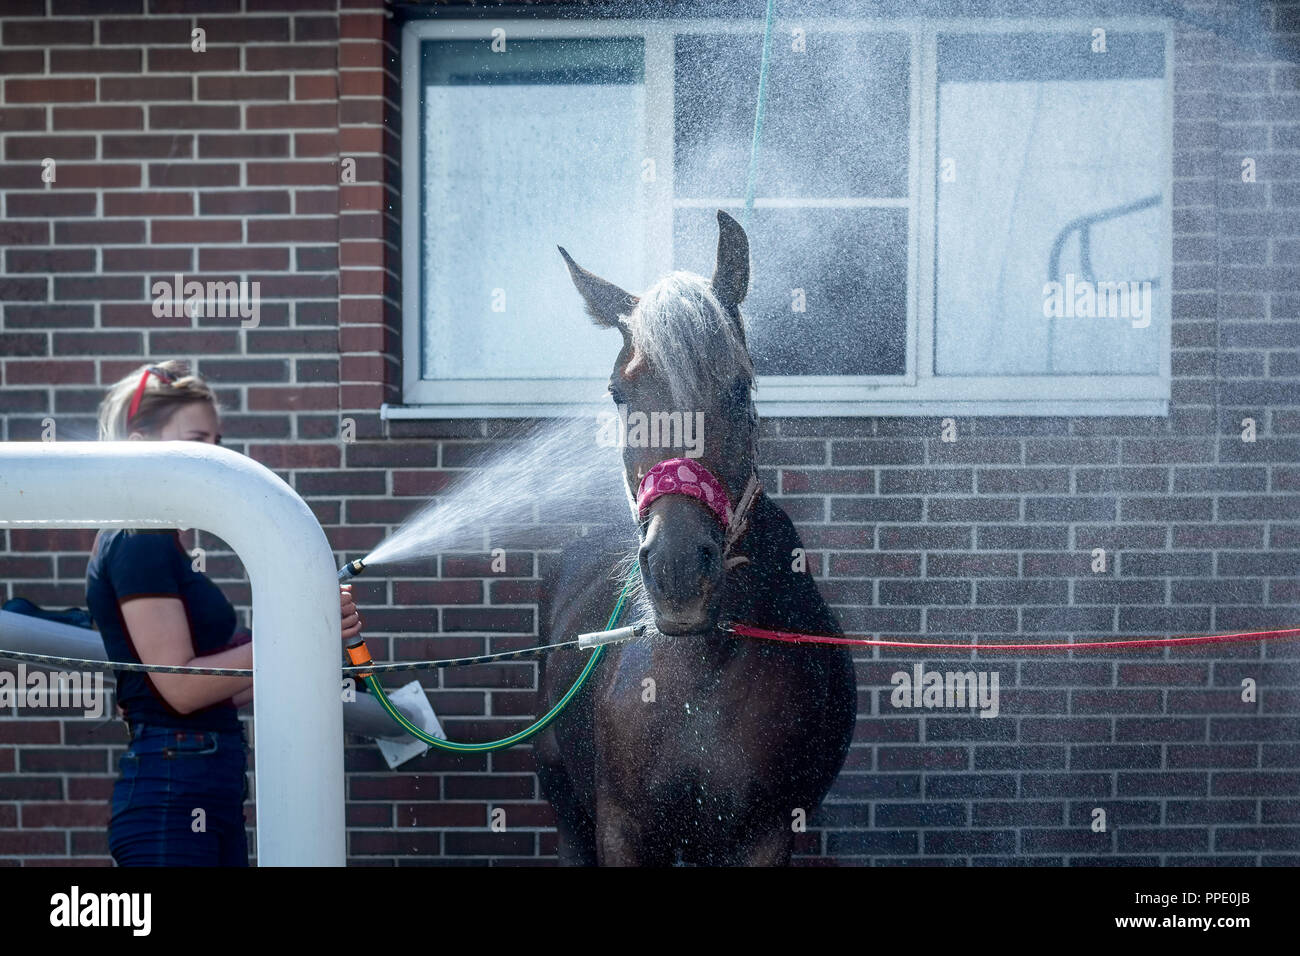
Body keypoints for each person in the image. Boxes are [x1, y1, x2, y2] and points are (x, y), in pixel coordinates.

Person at [85, 360, 361, 866]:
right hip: (171, 789)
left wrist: (317, 641)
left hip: (202, 780)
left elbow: (224, 686)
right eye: (197, 438)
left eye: (216, 439)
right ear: (143, 439)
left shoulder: (160, 540)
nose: (212, 455)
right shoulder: (138, 538)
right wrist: (294, 637)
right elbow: (182, 688)